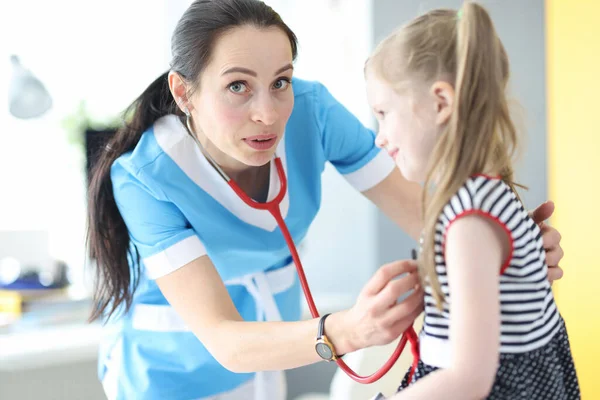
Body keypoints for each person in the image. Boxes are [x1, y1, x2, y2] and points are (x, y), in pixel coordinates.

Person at [86, 1, 565, 399]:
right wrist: (353, 329)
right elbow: (226, 341)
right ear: (183, 92)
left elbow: (429, 216)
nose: (268, 113)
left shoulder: (312, 111)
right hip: (167, 375)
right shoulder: (145, 178)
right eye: (238, 86)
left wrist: (502, 251)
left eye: (280, 81)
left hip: (268, 364)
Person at [364, 3, 579, 400]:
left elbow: (469, 379)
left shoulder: (468, 222)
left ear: (441, 103)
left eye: (383, 112)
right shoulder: (488, 195)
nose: (379, 136)